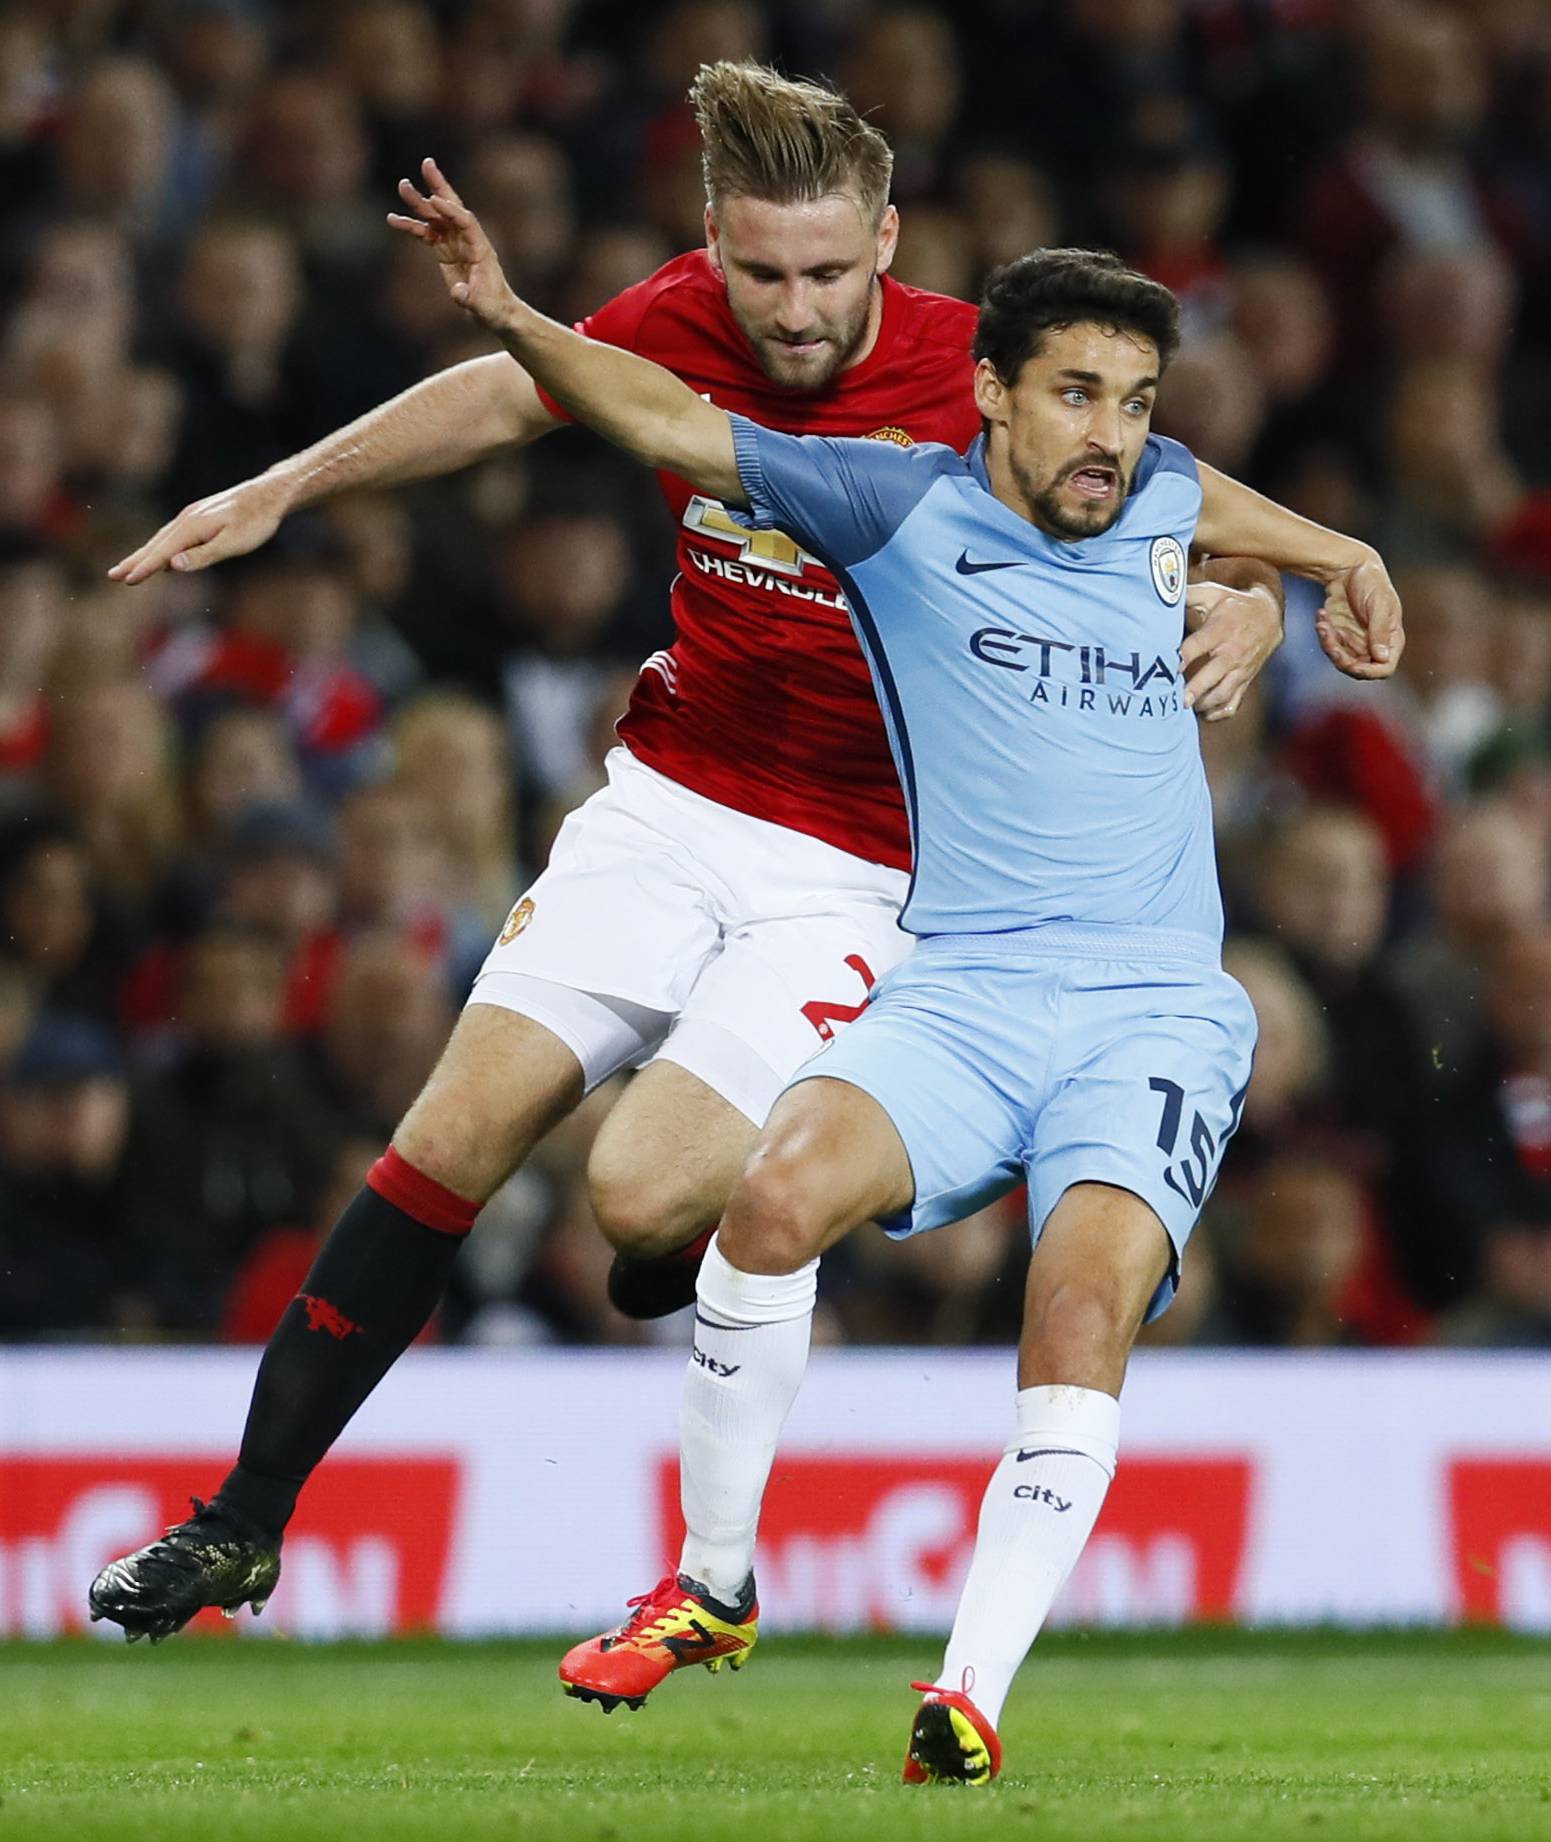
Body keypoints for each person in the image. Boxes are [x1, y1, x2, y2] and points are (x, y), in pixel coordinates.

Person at [87, 63, 1282, 1643]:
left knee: (635, 1200)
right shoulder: (673, 316)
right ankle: (241, 1522)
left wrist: (1254, 594)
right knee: (453, 1128)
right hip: (672, 797)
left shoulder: (979, 375)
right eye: (762, 272)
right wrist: (279, 486)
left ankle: (684, 1245)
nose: (794, 312)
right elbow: (516, 390)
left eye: (831, 274)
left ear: (890, 243)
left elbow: (1158, 500)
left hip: (867, 866)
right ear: (715, 242)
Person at [388, 162, 1401, 1777]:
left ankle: (970, 1693)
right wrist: (513, 317)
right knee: (767, 1198)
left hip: (1151, 1007)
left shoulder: (1154, 491)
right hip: (963, 988)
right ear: (990, 391)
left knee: (1076, 1303)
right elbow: (662, 425)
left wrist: (1332, 566)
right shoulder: (890, 505)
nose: (1112, 434)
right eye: (1077, 394)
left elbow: (1256, 525)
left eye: (1137, 399)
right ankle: (712, 1585)